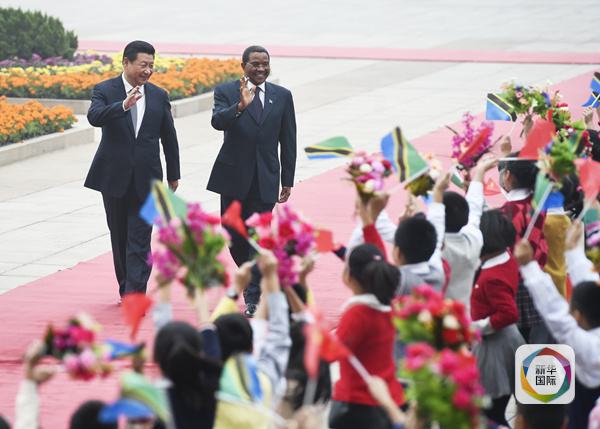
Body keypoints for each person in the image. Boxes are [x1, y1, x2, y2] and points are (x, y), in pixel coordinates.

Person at [85, 40, 180, 300]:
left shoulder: (159, 95)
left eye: (151, 65)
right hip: (113, 177)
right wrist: (123, 106)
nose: (148, 71)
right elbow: (94, 117)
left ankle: (134, 294)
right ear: (126, 62)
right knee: (120, 237)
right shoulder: (105, 90)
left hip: (148, 179)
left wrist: (173, 173)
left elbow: (168, 136)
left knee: (140, 238)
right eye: (143, 65)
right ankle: (126, 284)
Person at [208, 45, 297, 317]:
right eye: (255, 64)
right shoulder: (227, 91)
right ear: (243, 66)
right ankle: (251, 279)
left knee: (258, 236)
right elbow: (217, 122)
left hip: (265, 178)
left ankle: (254, 295)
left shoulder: (282, 96)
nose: (260, 69)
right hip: (233, 177)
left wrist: (287, 179)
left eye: (264, 64)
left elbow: (288, 140)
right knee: (234, 236)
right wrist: (239, 107)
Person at [515, 233, 600, 429]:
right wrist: (572, 252)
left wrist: (529, 267)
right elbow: (591, 286)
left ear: (577, 316)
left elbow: (557, 316)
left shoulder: (591, 348)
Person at [329, 244, 404, 429]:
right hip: (390, 395)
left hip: (357, 403)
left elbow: (331, 353)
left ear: (349, 276)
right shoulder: (389, 308)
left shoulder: (357, 314)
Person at [471, 209, 525, 427]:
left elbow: (509, 313)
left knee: (490, 411)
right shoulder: (505, 257)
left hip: (495, 347)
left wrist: (476, 326)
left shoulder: (492, 277)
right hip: (504, 340)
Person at [497, 154, 548, 343]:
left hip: (518, 280)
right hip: (537, 273)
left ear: (508, 175)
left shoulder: (508, 211)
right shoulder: (536, 202)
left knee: (522, 336)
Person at [442, 157, 497, 310]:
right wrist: (479, 172)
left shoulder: (435, 248)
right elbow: (474, 207)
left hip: (438, 316)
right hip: (464, 313)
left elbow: (473, 206)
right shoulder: (474, 239)